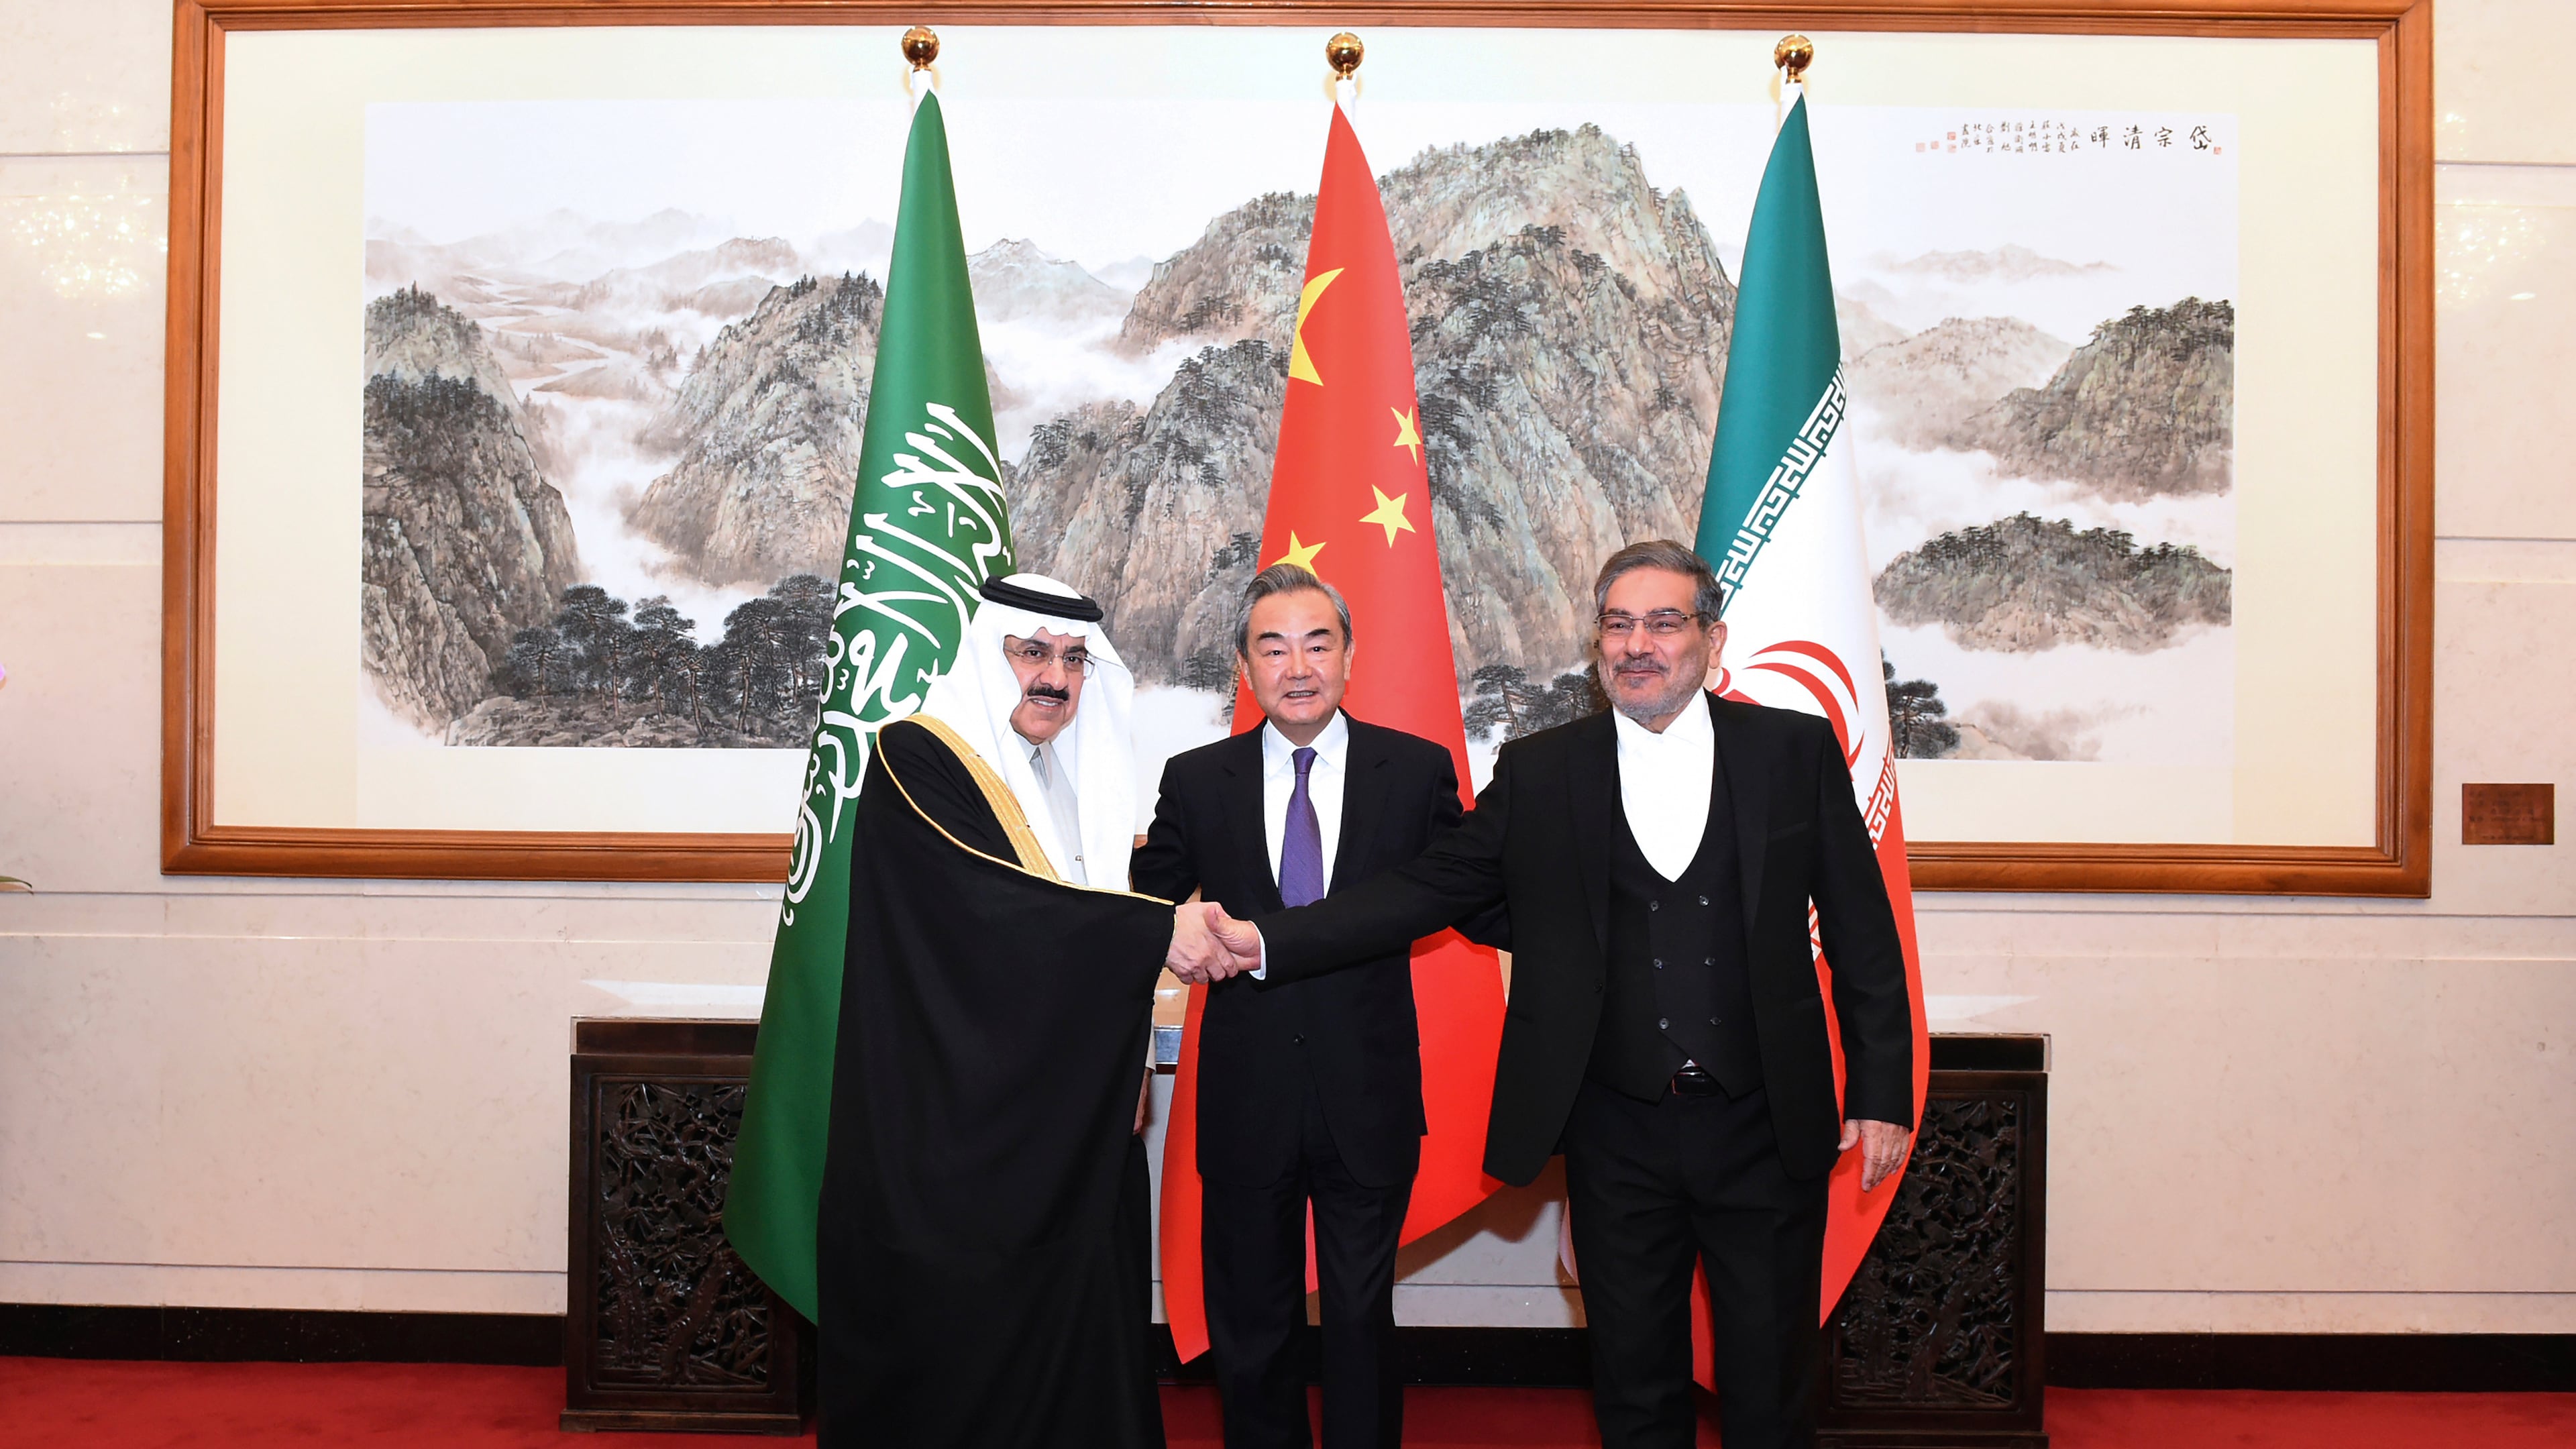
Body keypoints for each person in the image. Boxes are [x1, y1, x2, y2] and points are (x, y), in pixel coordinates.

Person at [1206, 541, 1916, 1449]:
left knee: (1770, 1386)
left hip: (1767, 1125)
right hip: (1614, 1132)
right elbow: (1427, 889)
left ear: (1713, 638)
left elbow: (1863, 930)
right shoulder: (1544, 770)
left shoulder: (1793, 750)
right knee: (1632, 1383)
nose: (1637, 644)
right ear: (1596, 643)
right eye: (1617, 624)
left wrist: (1883, 1092)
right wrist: (1272, 938)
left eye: (1664, 622)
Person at [815, 572, 1228, 1449]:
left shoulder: (1067, 784)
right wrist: (1155, 929)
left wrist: (1118, 1060)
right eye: (1032, 651)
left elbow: (1068, 940)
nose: (1057, 677)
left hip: (1071, 1136)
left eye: (1075, 659)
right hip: (955, 1149)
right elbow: (985, 909)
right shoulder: (914, 757)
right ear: (986, 655)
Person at [1134, 564, 1504, 1449]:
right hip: (1244, 1094)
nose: (1297, 666)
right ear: (1244, 665)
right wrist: (1153, 923)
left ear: (1349, 656)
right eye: (1273, 646)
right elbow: (1140, 904)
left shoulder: (1413, 771)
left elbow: (1474, 897)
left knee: (1360, 1326)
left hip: (1366, 1093)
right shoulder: (1197, 777)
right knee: (1251, 1330)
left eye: (1317, 643)